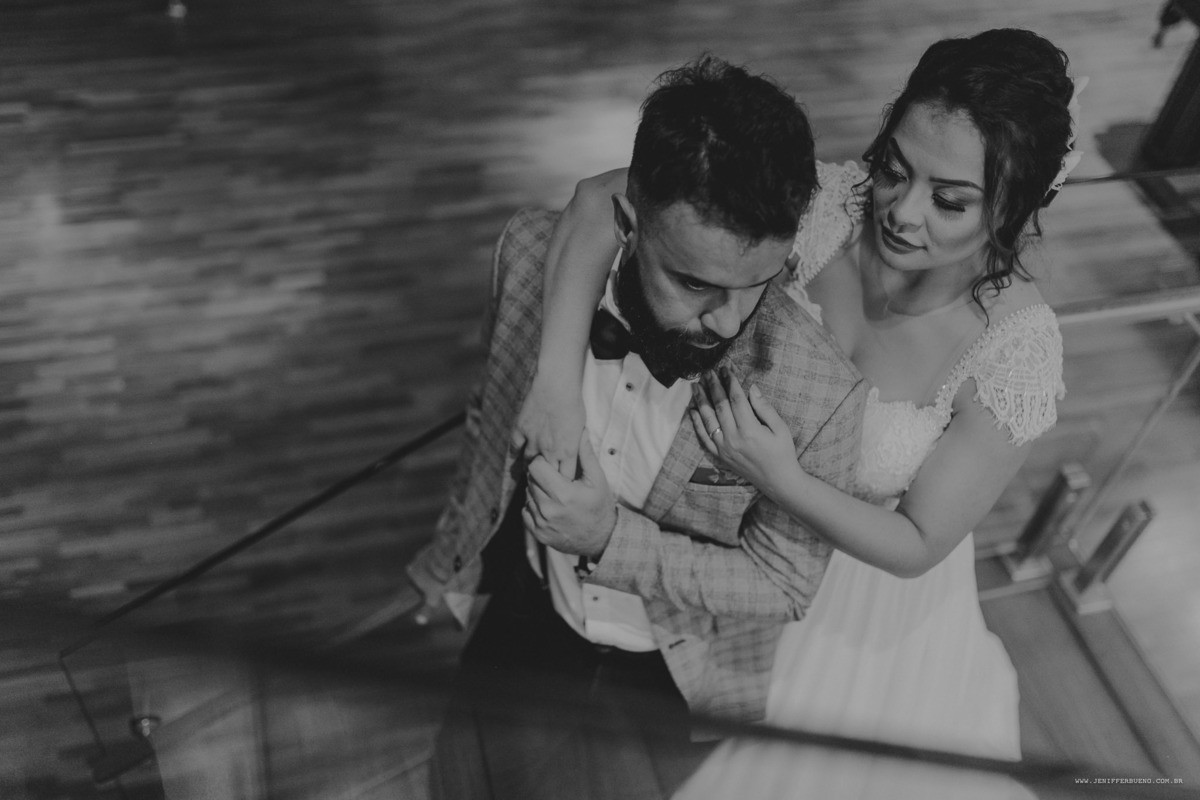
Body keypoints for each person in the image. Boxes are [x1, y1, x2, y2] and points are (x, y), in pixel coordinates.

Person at [514, 28, 1073, 798]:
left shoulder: (1016, 353)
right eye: (894, 168)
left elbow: (917, 543)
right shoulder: (829, 206)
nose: (901, 212)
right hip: (724, 526)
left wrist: (782, 477)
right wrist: (553, 384)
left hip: (861, 585)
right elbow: (600, 205)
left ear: (1018, 203)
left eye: (949, 201)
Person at [405, 56, 867, 800]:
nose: (728, 321)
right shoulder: (529, 256)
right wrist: (448, 556)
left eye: (756, 284)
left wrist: (607, 540)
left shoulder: (817, 394)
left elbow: (784, 585)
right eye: (695, 283)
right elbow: (488, 421)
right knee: (463, 780)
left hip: (679, 676)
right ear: (627, 224)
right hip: (529, 607)